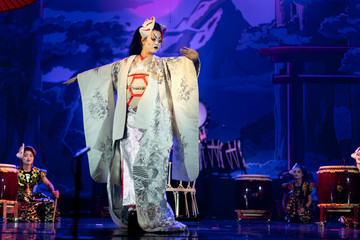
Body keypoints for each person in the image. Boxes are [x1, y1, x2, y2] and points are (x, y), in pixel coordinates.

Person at [64, 16, 200, 232]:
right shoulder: (124, 65)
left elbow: (182, 71)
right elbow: (101, 75)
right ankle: (134, 211)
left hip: (154, 125)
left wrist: (193, 61)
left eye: (159, 40)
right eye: (153, 38)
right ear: (142, 39)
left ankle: (155, 215)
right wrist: (80, 79)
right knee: (129, 167)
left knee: (151, 169)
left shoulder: (163, 65)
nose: (157, 43)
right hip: (129, 123)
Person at [15, 143, 60, 222]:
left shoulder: (37, 172)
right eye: (26, 155)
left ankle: (47, 227)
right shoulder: (16, 172)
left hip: (31, 198)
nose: (28, 158)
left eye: (31, 156)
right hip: (20, 199)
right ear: (21, 158)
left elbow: (48, 184)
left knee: (50, 203)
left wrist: (53, 190)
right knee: (29, 211)